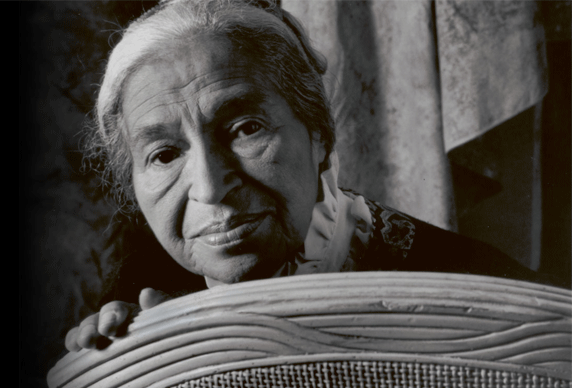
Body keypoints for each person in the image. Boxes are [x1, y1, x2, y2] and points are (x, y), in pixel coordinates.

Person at [63, 0, 564, 353]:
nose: (211, 188)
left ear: (319, 135)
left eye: (245, 129)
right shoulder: (138, 303)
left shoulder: (481, 292)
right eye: (164, 154)